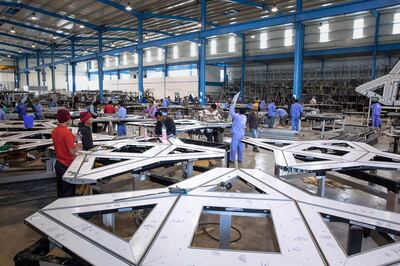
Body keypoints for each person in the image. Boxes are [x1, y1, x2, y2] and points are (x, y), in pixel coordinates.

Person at [51, 108, 81, 197]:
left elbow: (61, 141)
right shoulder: (66, 132)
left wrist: (72, 138)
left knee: (61, 190)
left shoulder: (55, 130)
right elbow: (72, 152)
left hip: (58, 163)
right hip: (67, 165)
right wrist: (77, 146)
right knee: (68, 192)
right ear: (68, 118)